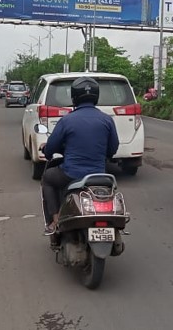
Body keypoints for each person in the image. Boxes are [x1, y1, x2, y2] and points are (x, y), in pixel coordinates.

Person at [41, 77, 119, 234]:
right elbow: (113, 148)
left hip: (71, 174)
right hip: (99, 175)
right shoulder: (107, 120)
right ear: (96, 96)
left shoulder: (67, 120)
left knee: (48, 178)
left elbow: (51, 147)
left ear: (74, 97)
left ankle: (54, 221)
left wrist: (47, 150)